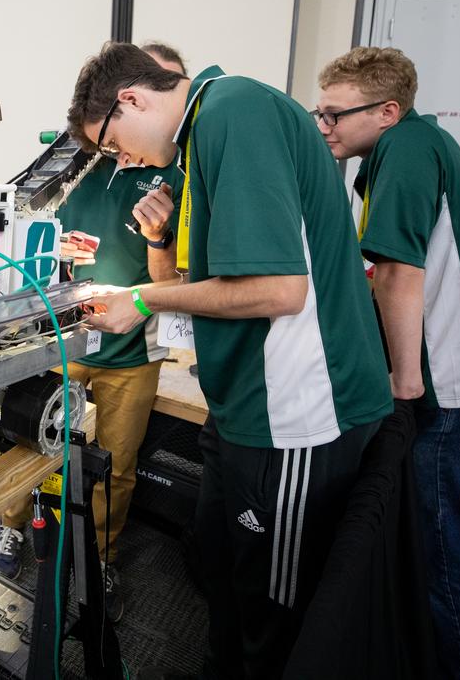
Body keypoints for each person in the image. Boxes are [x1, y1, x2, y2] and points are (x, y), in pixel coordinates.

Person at [71, 42, 392, 678]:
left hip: (297, 410)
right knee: (222, 567)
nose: (123, 160)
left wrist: (138, 297)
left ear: (129, 100)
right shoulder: (207, 131)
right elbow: (212, 282)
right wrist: (154, 275)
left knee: (272, 607)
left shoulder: (232, 112)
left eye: (112, 146)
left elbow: (277, 289)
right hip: (247, 403)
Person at [316, 46, 460, 680]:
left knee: (450, 550)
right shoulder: (414, 142)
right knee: (438, 539)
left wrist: (404, 385)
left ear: (387, 111)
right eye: (321, 113)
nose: (325, 126)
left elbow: (396, 270)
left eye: (335, 115)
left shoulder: (407, 150)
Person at [0, 43, 186, 623]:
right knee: (32, 440)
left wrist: (153, 250)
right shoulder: (84, 162)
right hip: (65, 336)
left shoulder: (181, 173)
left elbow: (177, 279)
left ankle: (101, 555)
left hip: (134, 351)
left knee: (116, 464)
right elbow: (28, 216)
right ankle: (10, 526)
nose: (115, 146)